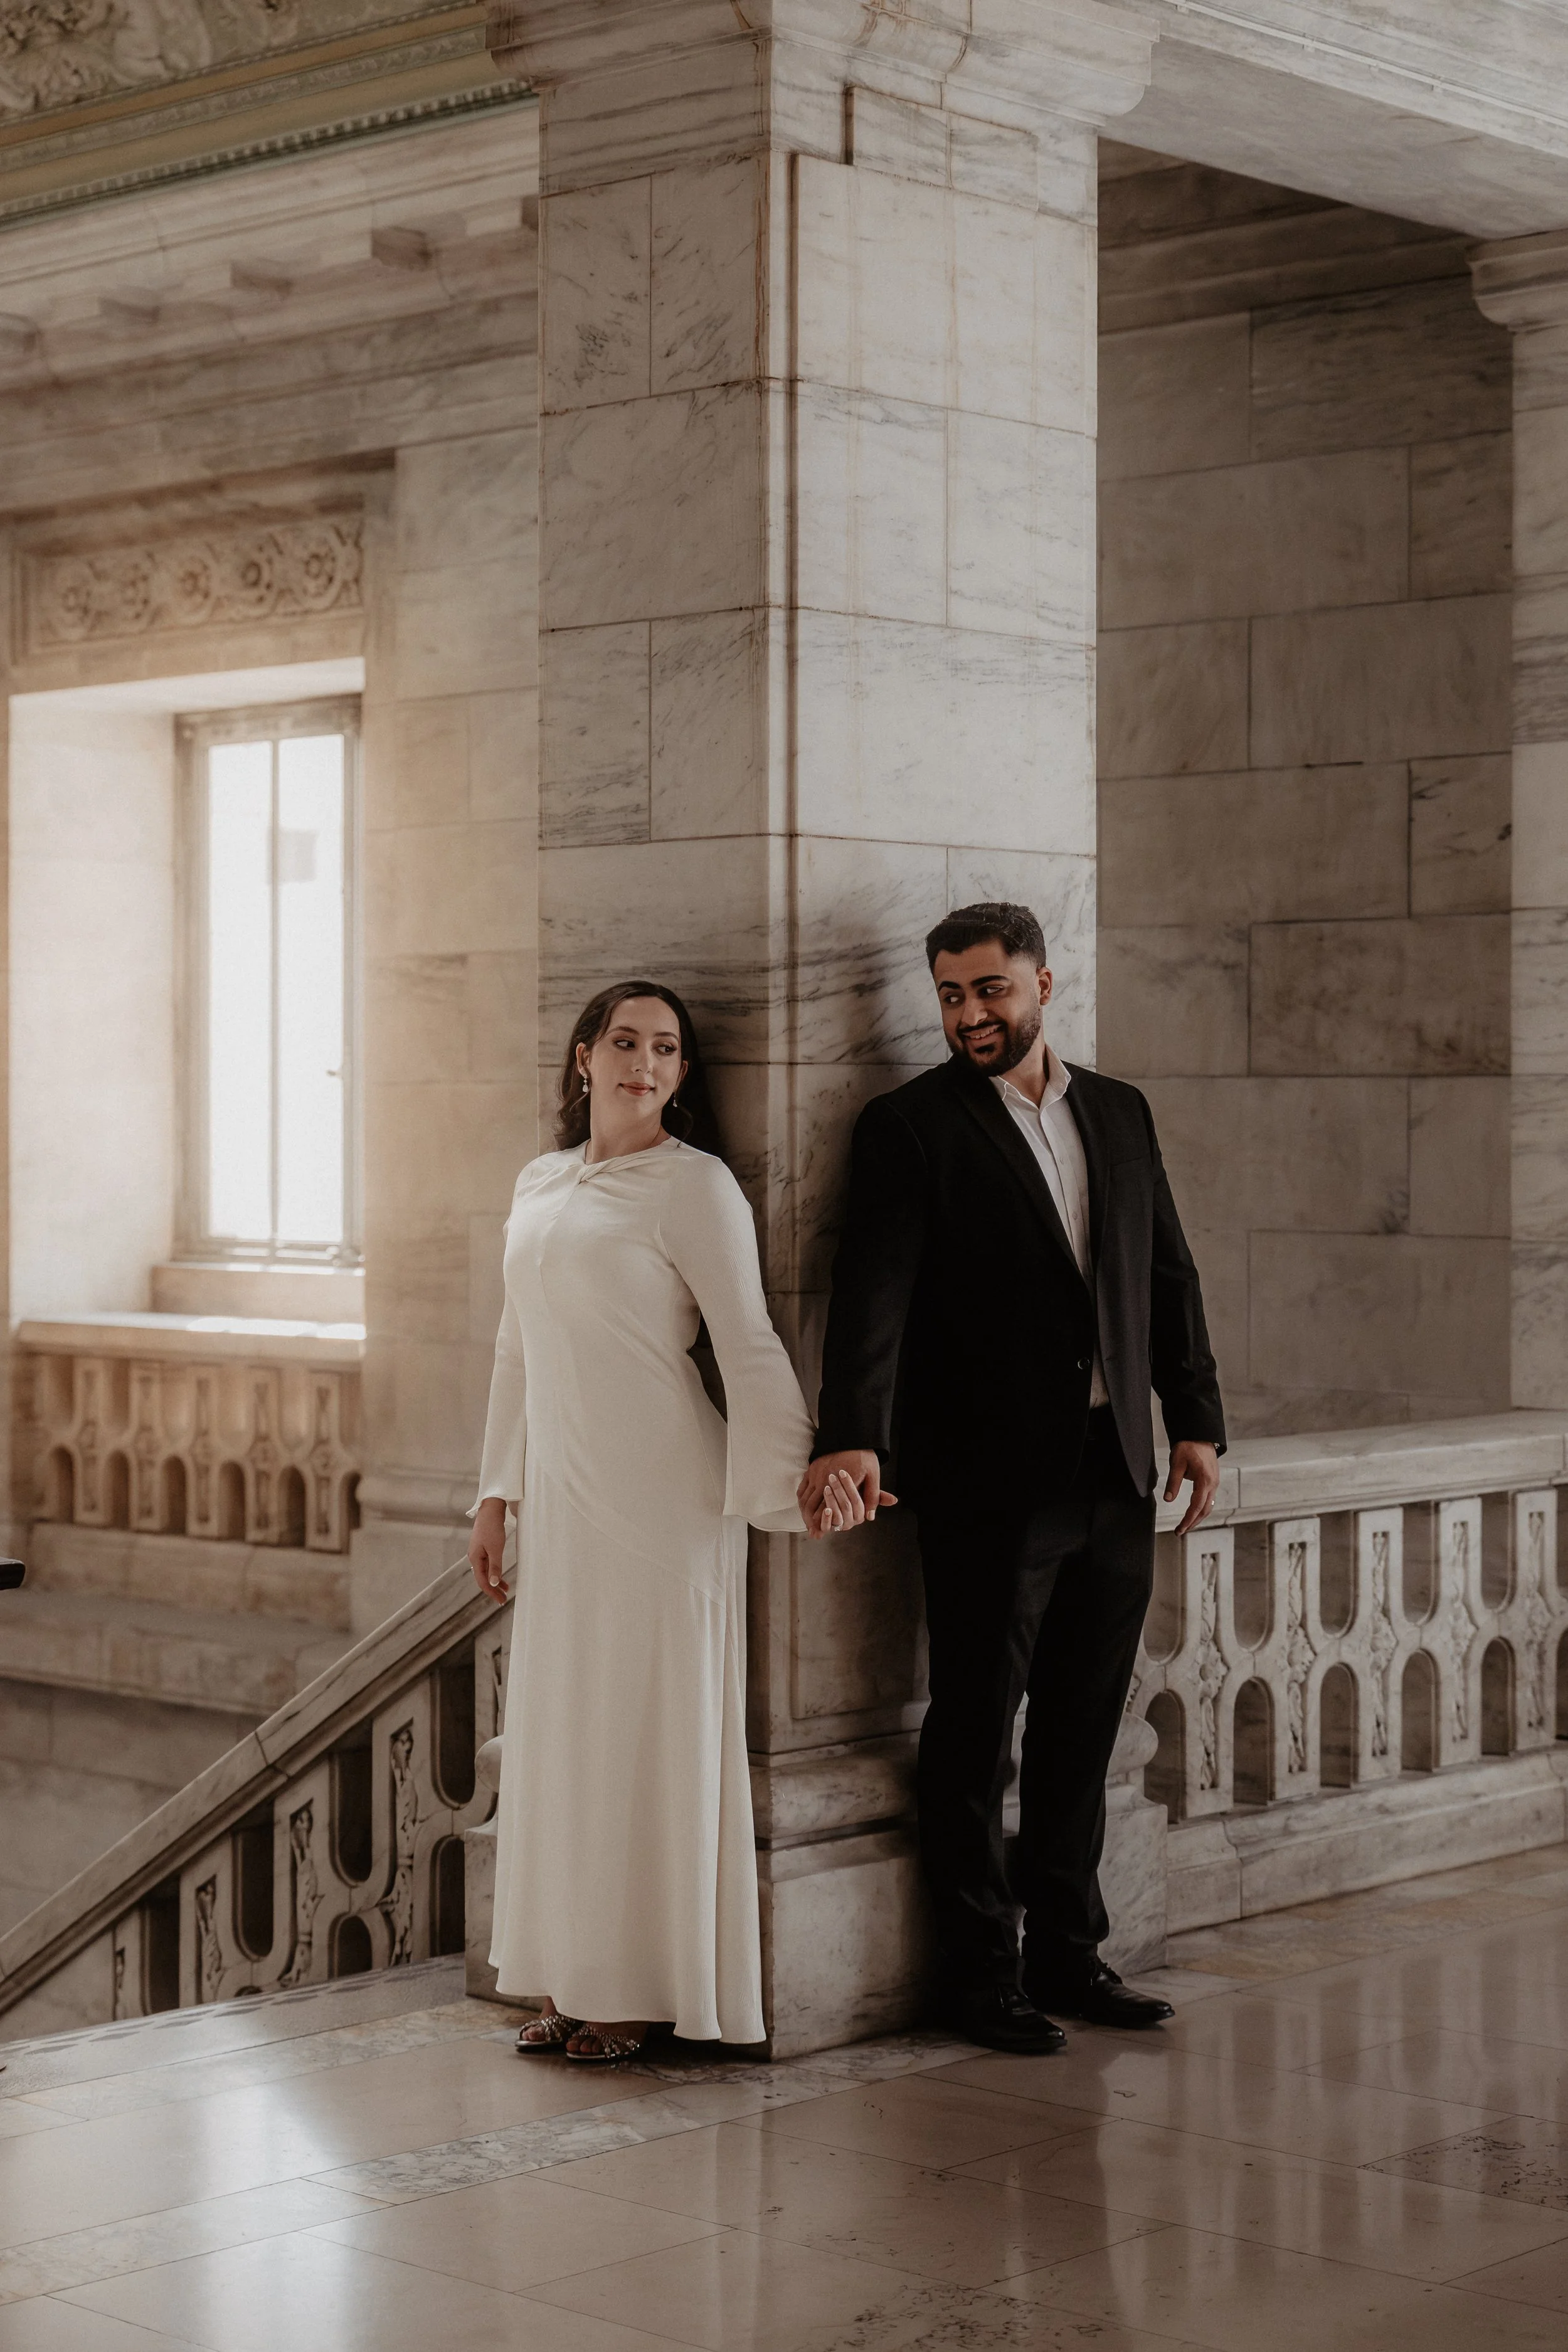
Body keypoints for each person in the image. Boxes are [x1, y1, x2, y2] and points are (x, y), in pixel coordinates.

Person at [800, 903, 1225, 2055]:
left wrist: (1196, 1418)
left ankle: (1072, 1954)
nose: (969, 1015)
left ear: (1043, 979)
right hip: (987, 1482)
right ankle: (981, 1974)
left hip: (1115, 1467)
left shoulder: (1122, 1112)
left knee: (1087, 1722)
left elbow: (1166, 1272)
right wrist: (853, 1434)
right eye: (949, 995)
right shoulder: (913, 1128)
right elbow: (872, 1299)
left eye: (989, 990)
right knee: (976, 1730)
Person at [469, 980, 865, 2062]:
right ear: (585, 1057)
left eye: (668, 1049)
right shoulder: (541, 1180)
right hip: (564, 1497)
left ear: (681, 1075)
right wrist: (495, 1494)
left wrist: (796, 1486)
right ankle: (570, 1974)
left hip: (664, 1498)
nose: (645, 1061)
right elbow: (516, 1347)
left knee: (644, 1736)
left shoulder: (696, 1189)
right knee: (566, 1737)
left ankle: (638, 1992)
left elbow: (746, 1341)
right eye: (626, 1041)